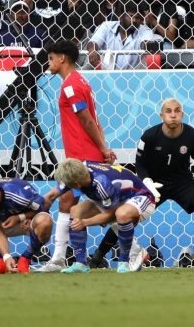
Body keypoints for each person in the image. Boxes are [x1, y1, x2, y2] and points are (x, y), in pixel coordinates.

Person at [36, 39, 117, 272]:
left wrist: (102, 149)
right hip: (83, 153)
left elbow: (86, 119)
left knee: (103, 207)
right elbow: (93, 119)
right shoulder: (81, 81)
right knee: (73, 202)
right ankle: (59, 258)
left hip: (83, 155)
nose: (48, 62)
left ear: (62, 58)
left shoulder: (70, 86)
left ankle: (134, 251)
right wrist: (104, 147)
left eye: (51, 58)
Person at [130, 98, 194, 262]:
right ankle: (99, 256)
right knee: (126, 215)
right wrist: (147, 182)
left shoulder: (192, 136)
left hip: (183, 183)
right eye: (169, 111)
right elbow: (139, 164)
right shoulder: (149, 136)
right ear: (161, 115)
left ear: (182, 114)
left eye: (177, 110)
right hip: (155, 186)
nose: (173, 115)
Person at [44, 159, 157, 274]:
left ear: (77, 184)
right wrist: (43, 204)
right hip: (118, 197)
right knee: (75, 211)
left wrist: (84, 223)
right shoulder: (80, 169)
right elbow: (54, 193)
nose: (68, 188)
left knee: (121, 214)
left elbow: (110, 215)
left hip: (142, 197)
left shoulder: (102, 185)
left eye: (70, 186)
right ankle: (80, 263)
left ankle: (124, 262)